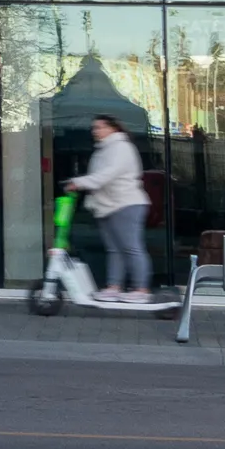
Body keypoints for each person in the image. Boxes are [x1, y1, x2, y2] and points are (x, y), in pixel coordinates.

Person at [64, 113, 158, 309]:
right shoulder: (103, 150)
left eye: (99, 127)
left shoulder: (121, 148)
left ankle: (142, 290)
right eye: (94, 128)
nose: (94, 131)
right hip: (108, 206)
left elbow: (106, 175)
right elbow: (98, 178)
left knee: (131, 247)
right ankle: (114, 287)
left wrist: (78, 183)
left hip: (126, 204)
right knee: (114, 249)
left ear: (112, 128)